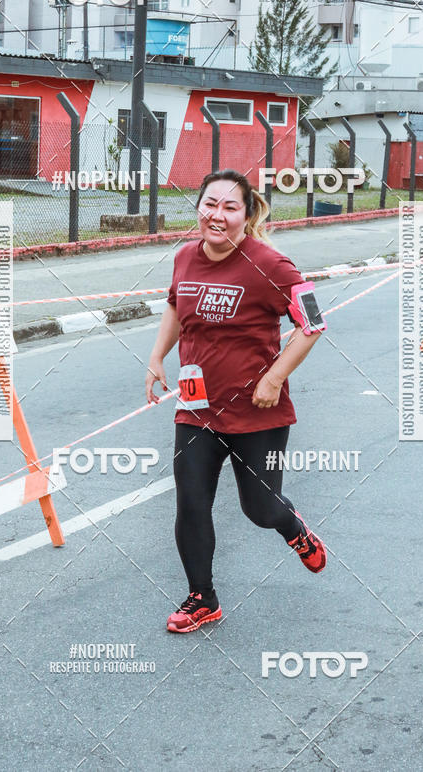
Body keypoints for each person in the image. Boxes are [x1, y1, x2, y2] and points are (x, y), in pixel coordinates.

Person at [145, 169, 327, 634]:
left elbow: (313, 323)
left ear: (247, 215)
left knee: (260, 509)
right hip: (197, 409)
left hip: (258, 413)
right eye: (210, 204)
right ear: (199, 208)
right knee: (191, 503)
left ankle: (294, 528)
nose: (218, 215)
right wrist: (157, 357)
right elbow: (175, 304)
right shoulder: (185, 257)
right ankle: (202, 598)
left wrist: (274, 377)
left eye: (230, 207)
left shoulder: (271, 264)